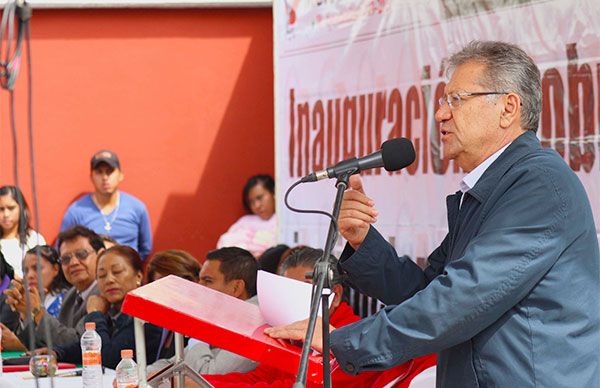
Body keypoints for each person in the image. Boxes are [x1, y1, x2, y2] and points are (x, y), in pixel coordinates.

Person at [266, 41, 600, 387]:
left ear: (508, 107)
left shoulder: (538, 184)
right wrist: (363, 240)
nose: (441, 113)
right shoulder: (488, 189)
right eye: (443, 101)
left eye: (457, 100)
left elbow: (462, 298)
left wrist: (347, 341)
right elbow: (426, 290)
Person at [207, 247, 436, 387]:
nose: (291, 299)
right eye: (286, 290)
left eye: (302, 290)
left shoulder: (353, 338)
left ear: (334, 295)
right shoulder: (293, 327)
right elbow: (262, 377)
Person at [147, 247, 259, 377]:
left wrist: (197, 333)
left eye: (207, 281)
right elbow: (175, 362)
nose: (198, 287)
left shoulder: (254, 328)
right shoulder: (223, 317)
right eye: (200, 280)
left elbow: (204, 378)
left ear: (236, 288)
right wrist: (139, 375)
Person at [46, 245, 162, 369]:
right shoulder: (113, 311)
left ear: (138, 276)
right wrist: (57, 353)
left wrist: (95, 313)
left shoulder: (146, 314)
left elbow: (108, 358)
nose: (109, 280)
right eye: (101, 275)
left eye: (117, 272)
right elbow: (89, 348)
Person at [8, 225, 104, 348]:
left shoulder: (103, 292)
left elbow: (78, 344)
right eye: (66, 259)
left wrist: (37, 311)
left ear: (100, 256)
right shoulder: (71, 295)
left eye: (81, 254)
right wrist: (26, 314)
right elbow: (47, 344)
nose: (74, 262)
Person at [60, 149, 152, 259]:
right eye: (99, 172)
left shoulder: (137, 208)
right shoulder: (75, 212)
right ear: (91, 177)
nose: (104, 177)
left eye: (110, 171)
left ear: (120, 175)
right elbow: (63, 250)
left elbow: (145, 249)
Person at [1, 245, 71, 351]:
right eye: (25, 270)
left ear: (56, 269)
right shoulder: (26, 300)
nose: (30, 275)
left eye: (37, 268)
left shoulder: (69, 300)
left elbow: (68, 343)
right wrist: (24, 315)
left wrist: (18, 346)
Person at [144, 249, 200, 360]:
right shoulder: (161, 323)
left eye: (173, 281)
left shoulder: (197, 324)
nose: (168, 289)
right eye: (160, 283)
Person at [217, 174, 277, 257]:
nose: (256, 205)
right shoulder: (245, 221)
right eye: (251, 202)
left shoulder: (285, 222)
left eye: (260, 198)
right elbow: (224, 245)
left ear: (274, 193)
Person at [0, 185, 46, 277]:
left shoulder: (34, 239)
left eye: (11, 208)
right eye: (1, 209)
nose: (6, 214)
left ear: (22, 208)